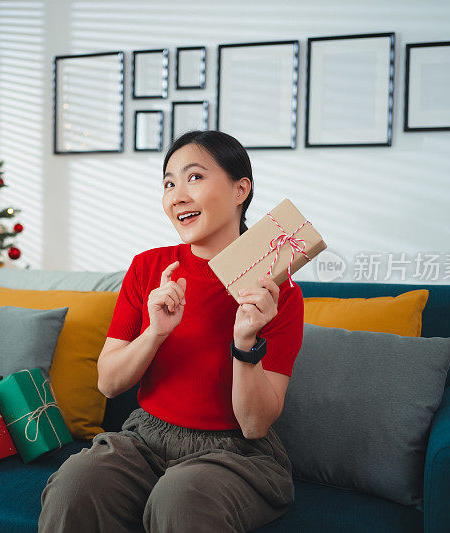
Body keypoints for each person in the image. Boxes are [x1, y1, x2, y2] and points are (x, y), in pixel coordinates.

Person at [38, 130, 304, 533]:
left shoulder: (276, 287)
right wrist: (155, 333)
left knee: (183, 496)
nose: (177, 195)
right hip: (145, 439)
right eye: (168, 183)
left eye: (194, 177)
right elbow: (109, 383)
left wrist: (246, 341)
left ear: (240, 190)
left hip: (236, 454)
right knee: (76, 484)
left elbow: (255, 425)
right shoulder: (149, 268)